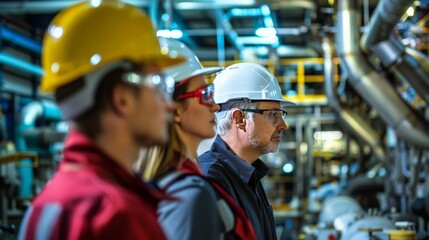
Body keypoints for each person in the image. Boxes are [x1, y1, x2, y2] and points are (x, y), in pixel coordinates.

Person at [18, 1, 184, 239]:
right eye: (159, 86)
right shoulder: (115, 215)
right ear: (122, 98)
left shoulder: (49, 201)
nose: (169, 104)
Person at [138, 38, 256, 240]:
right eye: (204, 94)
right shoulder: (189, 195)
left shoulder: (153, 186)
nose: (215, 106)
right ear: (173, 108)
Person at [199, 63, 295, 240]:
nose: (283, 125)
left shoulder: (251, 177)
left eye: (281, 114)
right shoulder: (210, 180)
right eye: (273, 114)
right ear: (240, 119)